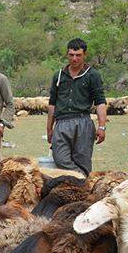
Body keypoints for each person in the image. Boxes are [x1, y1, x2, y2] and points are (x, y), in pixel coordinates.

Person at [46, 38, 107, 175]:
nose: (74, 59)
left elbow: (100, 102)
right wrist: (49, 128)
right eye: (71, 55)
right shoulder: (59, 75)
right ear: (67, 54)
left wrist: (102, 126)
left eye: (78, 55)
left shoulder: (93, 75)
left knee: (83, 161)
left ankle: (81, 186)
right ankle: (82, 179)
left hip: (83, 121)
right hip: (61, 123)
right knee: (60, 158)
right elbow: (52, 103)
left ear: (84, 55)